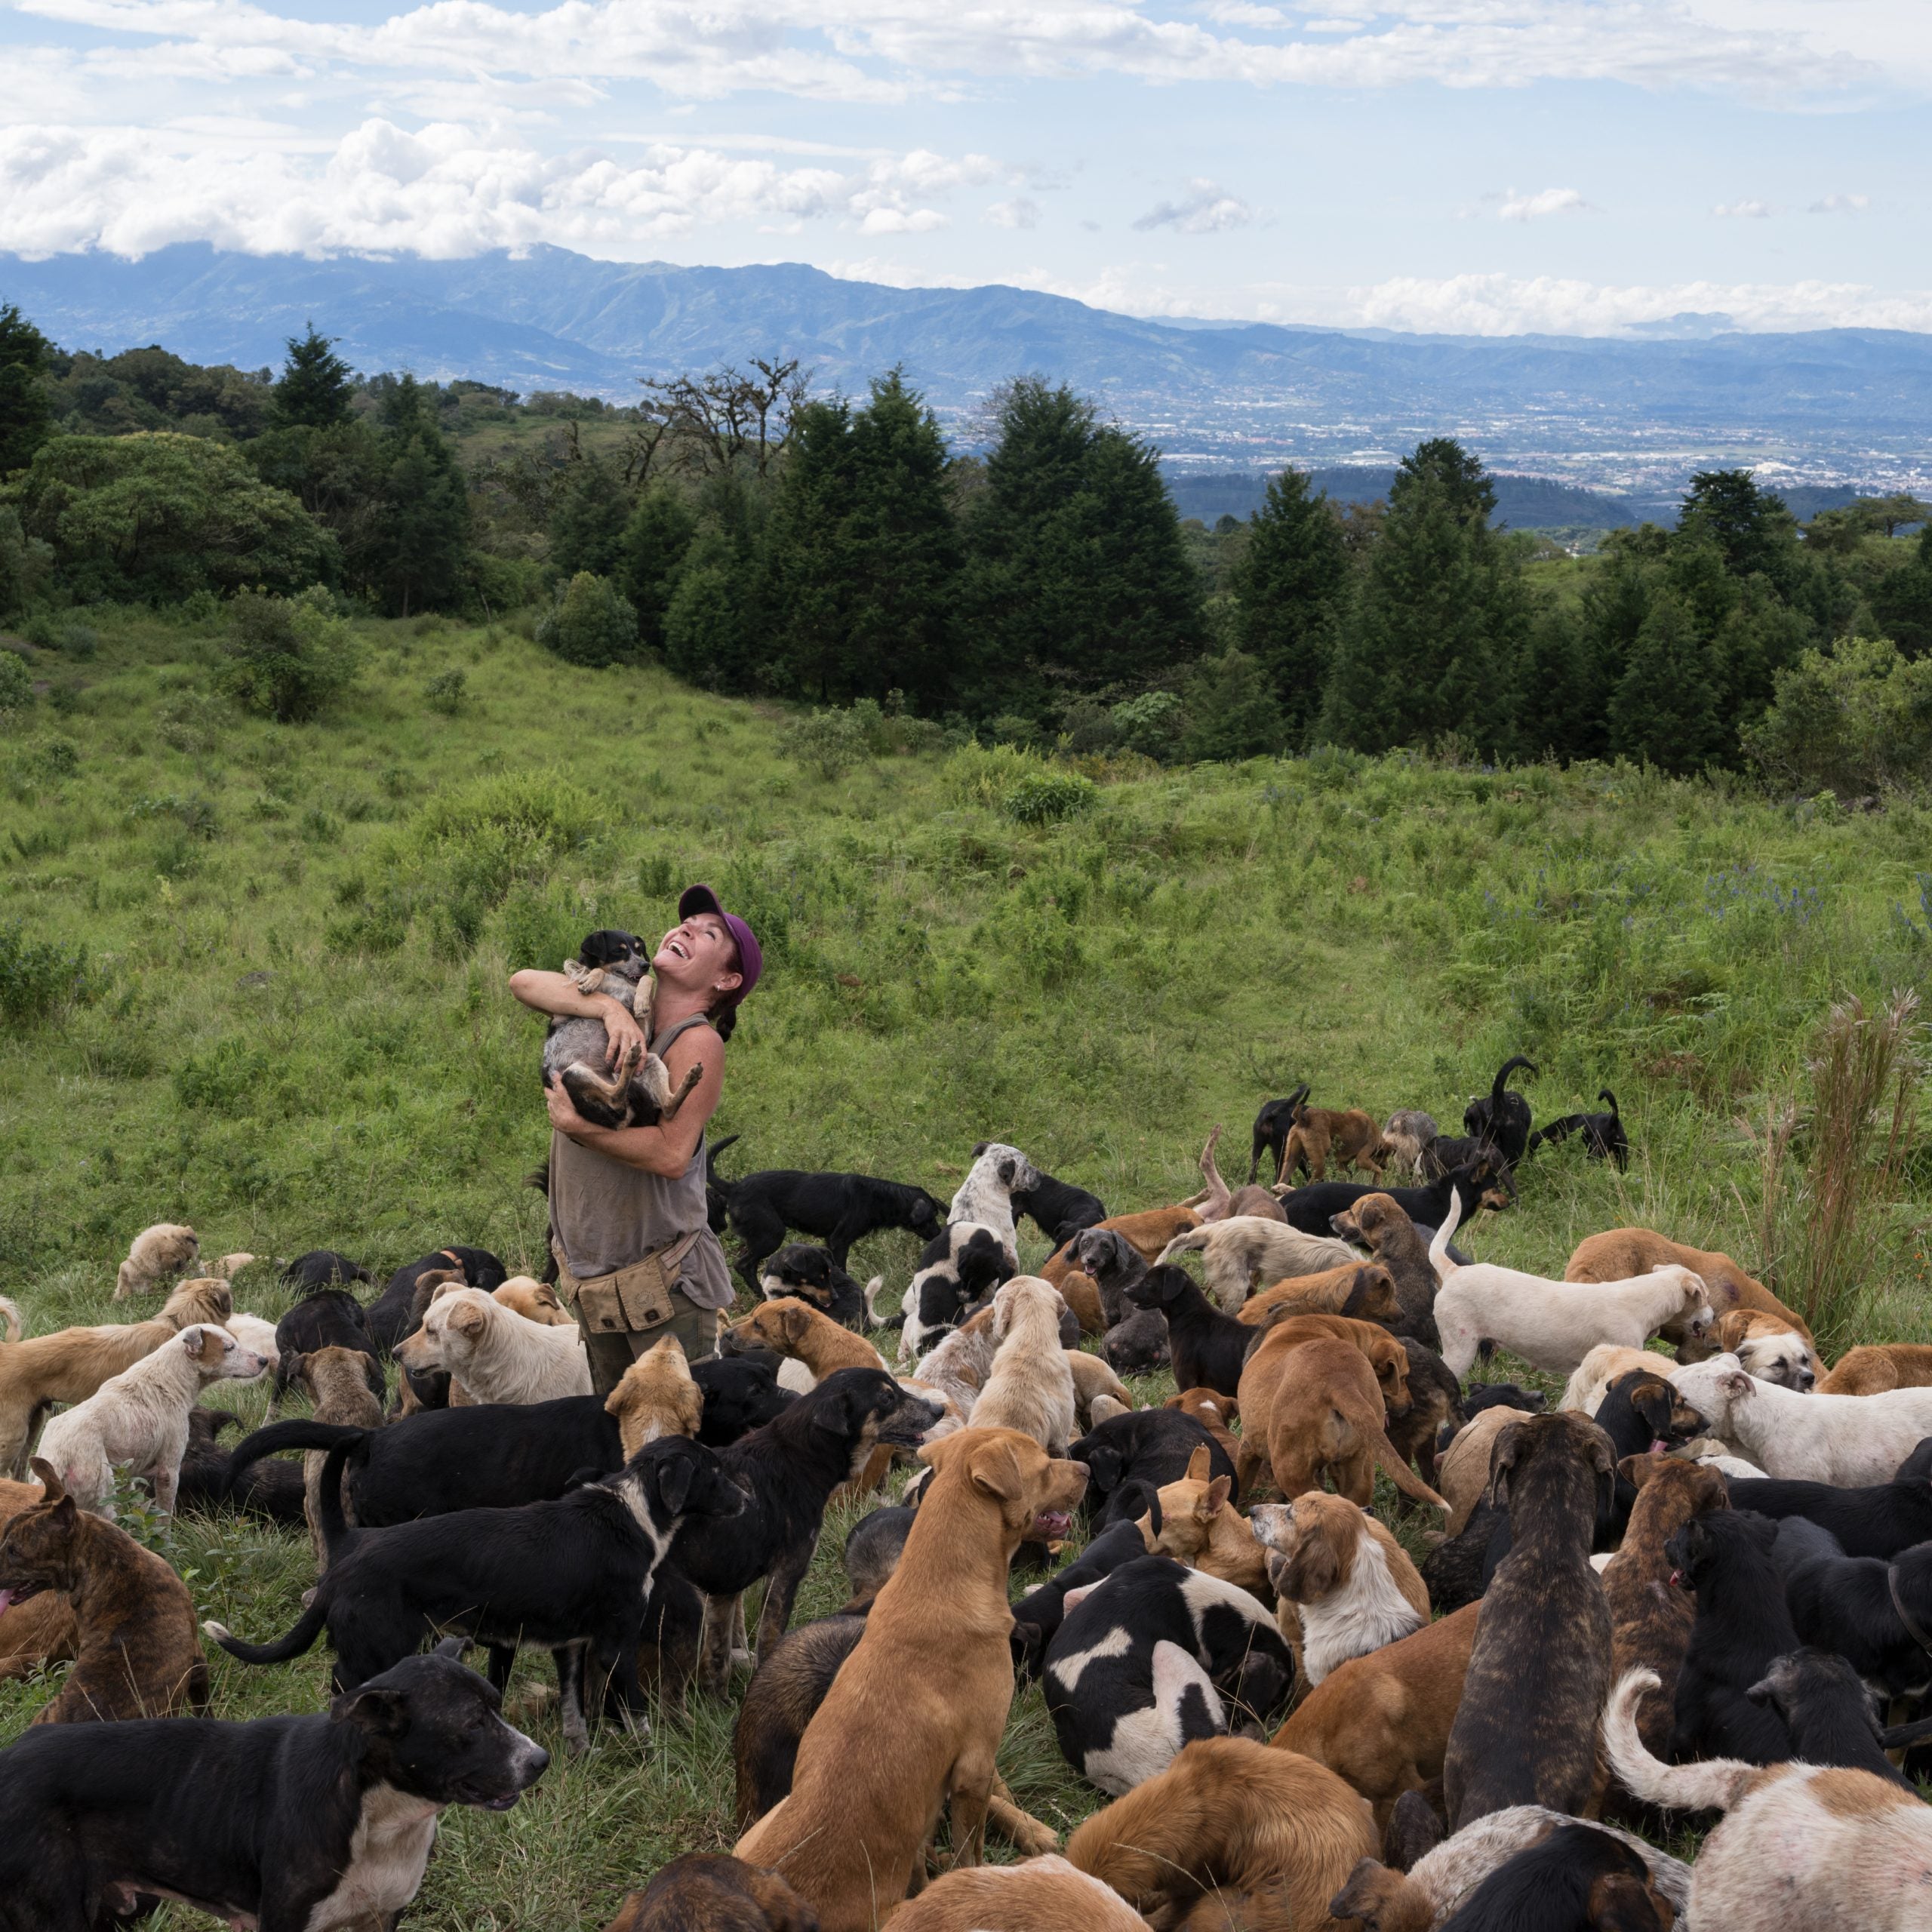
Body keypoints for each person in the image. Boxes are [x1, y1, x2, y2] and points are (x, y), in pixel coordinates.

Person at [509, 884, 760, 1391]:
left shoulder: (696, 1040)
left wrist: (578, 1127)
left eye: (709, 933)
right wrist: (608, 1009)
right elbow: (522, 982)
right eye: (687, 923)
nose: (688, 928)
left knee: (678, 1442)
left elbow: (671, 1154)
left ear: (726, 978)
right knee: (616, 1434)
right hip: (593, 1285)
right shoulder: (611, 1004)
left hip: (663, 1291)